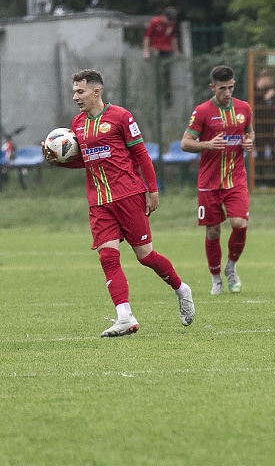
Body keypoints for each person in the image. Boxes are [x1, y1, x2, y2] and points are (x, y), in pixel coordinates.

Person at [42, 69, 194, 337]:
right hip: (99, 202)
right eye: (74, 91)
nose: (75, 96)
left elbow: (141, 155)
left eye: (80, 91)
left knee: (145, 256)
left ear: (96, 91)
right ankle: (125, 316)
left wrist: (152, 190)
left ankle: (182, 289)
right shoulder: (77, 124)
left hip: (128, 196)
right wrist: (57, 161)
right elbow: (85, 159)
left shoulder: (121, 117)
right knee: (107, 256)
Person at [181, 65, 255, 294]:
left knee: (240, 224)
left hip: (236, 179)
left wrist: (249, 141)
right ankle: (216, 278)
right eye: (222, 88)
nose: (227, 93)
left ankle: (231, 267)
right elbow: (185, 142)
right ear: (213, 87)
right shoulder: (202, 111)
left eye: (231, 87)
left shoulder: (244, 108)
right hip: (209, 181)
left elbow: (249, 132)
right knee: (213, 232)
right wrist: (208, 144)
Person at [143, 7, 179, 107]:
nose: (169, 22)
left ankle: (168, 99)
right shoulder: (155, 22)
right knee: (157, 74)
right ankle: (156, 97)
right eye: (168, 20)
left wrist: (175, 51)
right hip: (156, 49)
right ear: (164, 16)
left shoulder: (172, 23)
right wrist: (146, 51)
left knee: (168, 74)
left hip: (168, 50)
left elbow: (173, 37)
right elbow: (147, 37)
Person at [253, 68, 275, 181]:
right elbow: (256, 108)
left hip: (271, 127)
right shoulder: (254, 91)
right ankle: (259, 180)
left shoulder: (271, 90)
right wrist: (265, 98)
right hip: (259, 127)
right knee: (260, 153)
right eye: (266, 78)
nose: (268, 81)